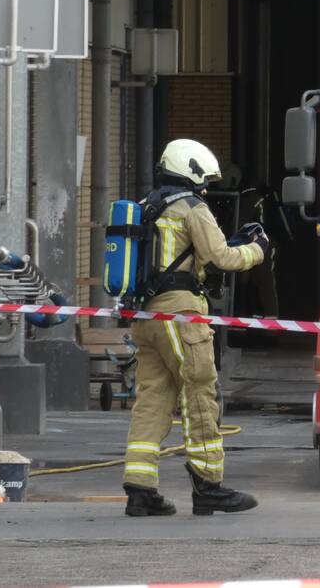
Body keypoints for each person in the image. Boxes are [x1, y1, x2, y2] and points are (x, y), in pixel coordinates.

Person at [123, 139, 269, 517]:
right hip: (181, 315)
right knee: (201, 392)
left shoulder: (146, 207)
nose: (206, 188)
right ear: (192, 172)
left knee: (153, 398)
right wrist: (258, 251)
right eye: (204, 180)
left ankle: (140, 490)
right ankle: (209, 486)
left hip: (147, 317)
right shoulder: (192, 207)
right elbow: (221, 257)